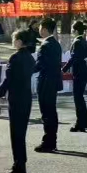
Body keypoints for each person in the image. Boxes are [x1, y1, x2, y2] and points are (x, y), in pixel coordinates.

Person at [0, 31, 36, 173]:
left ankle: (19, 165)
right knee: (21, 132)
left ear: (19, 41)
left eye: (14, 39)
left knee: (16, 133)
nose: (13, 41)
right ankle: (20, 163)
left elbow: (9, 78)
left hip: (16, 98)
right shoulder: (30, 57)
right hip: (26, 97)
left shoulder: (15, 57)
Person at [35, 19, 63, 152]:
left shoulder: (45, 45)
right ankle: (52, 140)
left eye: (40, 27)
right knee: (52, 112)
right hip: (53, 82)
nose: (39, 30)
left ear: (44, 29)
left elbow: (39, 65)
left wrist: (24, 69)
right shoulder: (56, 44)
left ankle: (48, 142)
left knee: (46, 113)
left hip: (45, 83)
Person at [68, 21, 87, 132]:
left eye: (73, 29)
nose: (72, 31)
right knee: (80, 97)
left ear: (76, 31)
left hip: (79, 72)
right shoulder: (83, 40)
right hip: (83, 71)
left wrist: (64, 69)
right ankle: (84, 121)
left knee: (78, 98)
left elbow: (73, 58)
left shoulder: (77, 42)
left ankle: (80, 123)